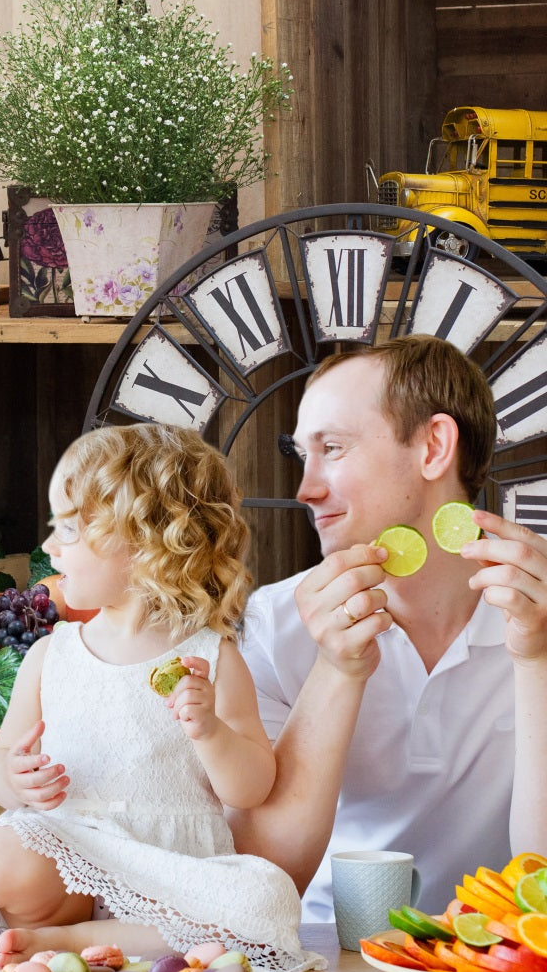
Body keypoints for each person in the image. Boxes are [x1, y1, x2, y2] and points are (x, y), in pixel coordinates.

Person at [0, 423, 324, 972]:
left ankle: (78, 939)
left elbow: (250, 789)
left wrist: (210, 732)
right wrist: (17, 778)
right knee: (6, 847)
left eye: (70, 530)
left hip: (168, 877)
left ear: (151, 543)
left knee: (266, 897)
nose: (50, 546)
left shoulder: (212, 658)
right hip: (65, 857)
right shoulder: (52, 654)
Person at [232, 334, 547, 921]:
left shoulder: (539, 604)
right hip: (327, 959)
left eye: (334, 447)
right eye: (303, 454)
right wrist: (337, 669)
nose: (306, 489)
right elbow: (259, 877)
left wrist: (537, 661)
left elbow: (544, 879)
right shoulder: (271, 627)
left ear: (433, 447)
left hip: (499, 955)